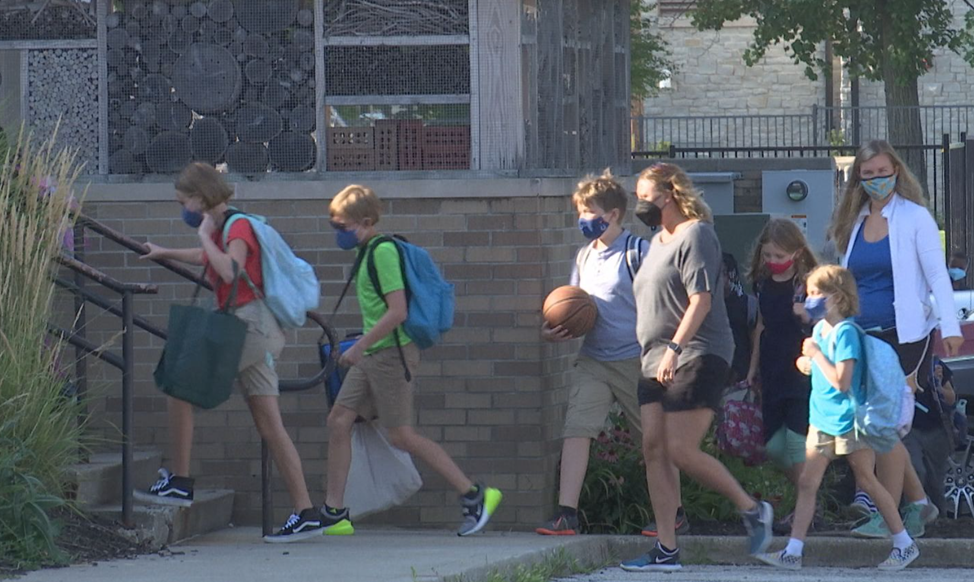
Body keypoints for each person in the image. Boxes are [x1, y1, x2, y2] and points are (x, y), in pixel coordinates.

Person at [135, 162, 318, 542]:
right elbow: (208, 261)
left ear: (200, 199)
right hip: (254, 329)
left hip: (248, 326)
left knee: (179, 385)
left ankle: (180, 482)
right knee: (271, 425)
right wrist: (163, 251)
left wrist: (204, 235)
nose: (181, 209)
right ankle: (306, 512)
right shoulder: (225, 227)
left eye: (183, 201)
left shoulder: (236, 226)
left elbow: (230, 270)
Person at [320, 185, 502, 536]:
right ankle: (335, 511)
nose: (338, 234)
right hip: (375, 353)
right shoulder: (367, 251)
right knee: (339, 420)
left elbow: (397, 311)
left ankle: (474, 494)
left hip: (390, 355)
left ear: (366, 222)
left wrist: (359, 347)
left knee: (401, 436)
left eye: (343, 227)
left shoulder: (382, 252)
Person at [620, 162, 774, 572]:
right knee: (654, 450)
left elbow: (701, 299)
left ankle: (753, 509)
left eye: (645, 195)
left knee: (680, 449)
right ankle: (667, 549)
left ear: (668, 194)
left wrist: (675, 347)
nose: (640, 203)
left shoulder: (697, 234)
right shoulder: (655, 242)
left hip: (697, 352)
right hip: (653, 357)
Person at [536, 171, 686, 537]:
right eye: (580, 212)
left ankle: (675, 513)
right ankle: (566, 514)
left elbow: (668, 301)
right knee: (577, 429)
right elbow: (574, 305)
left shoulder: (639, 252)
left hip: (636, 360)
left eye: (589, 211)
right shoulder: (584, 256)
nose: (583, 219)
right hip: (594, 359)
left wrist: (669, 351)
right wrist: (555, 330)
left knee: (654, 442)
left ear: (614, 214)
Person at [829, 139, 959, 537]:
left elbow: (937, 275)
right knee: (874, 425)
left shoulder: (915, 218)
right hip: (862, 335)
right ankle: (916, 505)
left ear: (896, 173)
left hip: (903, 334)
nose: (876, 181)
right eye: (867, 175)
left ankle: (891, 515)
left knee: (885, 424)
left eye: (882, 173)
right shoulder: (853, 223)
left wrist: (951, 327)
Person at [759, 265, 919, 571]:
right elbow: (821, 370)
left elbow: (843, 382)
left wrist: (816, 356)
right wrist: (809, 362)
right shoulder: (820, 330)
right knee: (807, 482)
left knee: (867, 480)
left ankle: (904, 543)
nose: (810, 299)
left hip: (849, 422)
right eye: (809, 293)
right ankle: (793, 551)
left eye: (817, 293)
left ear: (838, 296)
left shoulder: (846, 333)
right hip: (821, 419)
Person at [744, 219, 817, 492]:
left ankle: (807, 506)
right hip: (772, 366)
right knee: (774, 445)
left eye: (779, 256)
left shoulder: (807, 284)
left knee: (797, 441)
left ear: (796, 253)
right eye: (768, 255)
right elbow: (760, 325)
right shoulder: (762, 284)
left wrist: (807, 317)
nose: (773, 261)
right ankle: (806, 494)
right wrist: (753, 367)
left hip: (801, 368)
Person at [904, 357, 957, 517]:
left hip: (936, 429)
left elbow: (951, 399)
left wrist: (939, 384)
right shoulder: (899, 360)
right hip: (909, 429)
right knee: (916, 470)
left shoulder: (935, 363)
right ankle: (913, 516)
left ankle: (941, 521)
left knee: (936, 483)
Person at [722, 252, 758, 386]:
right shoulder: (706, 306)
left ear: (731, 274)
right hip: (714, 374)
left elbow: (755, 342)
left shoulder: (748, 304)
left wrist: (752, 372)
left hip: (741, 376)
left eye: (722, 273)